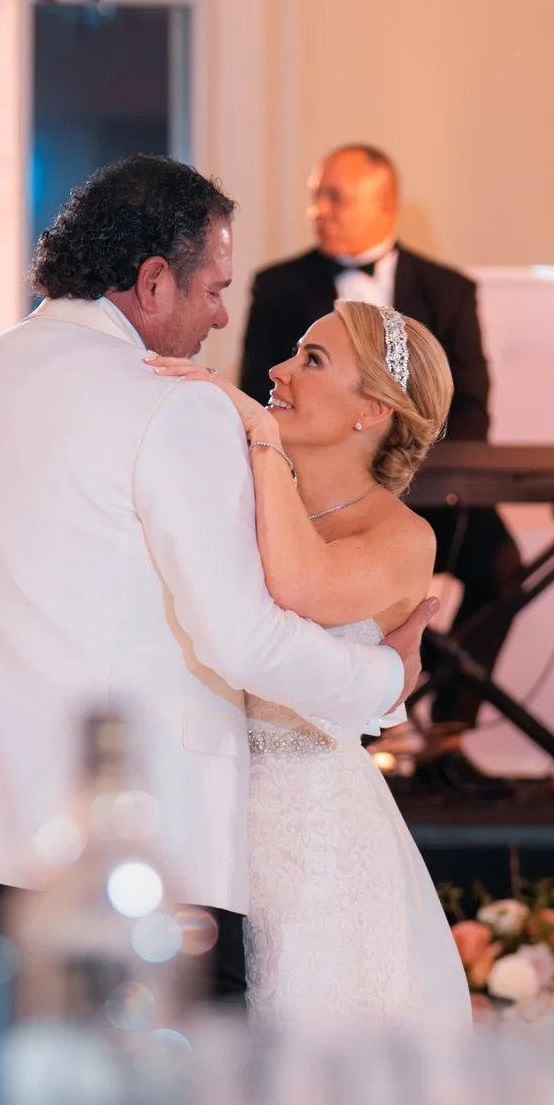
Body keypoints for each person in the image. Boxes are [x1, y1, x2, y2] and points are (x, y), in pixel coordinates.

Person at [0, 154, 421, 1009]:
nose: (221, 316)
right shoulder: (176, 403)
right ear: (151, 282)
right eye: (213, 288)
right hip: (133, 857)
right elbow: (240, 637)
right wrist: (385, 678)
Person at [152, 297, 474, 1039]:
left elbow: (299, 587)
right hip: (204, 816)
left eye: (312, 360)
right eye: (296, 353)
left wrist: (262, 436)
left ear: (372, 413)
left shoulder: (402, 536)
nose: (278, 370)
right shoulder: (242, 485)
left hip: (318, 839)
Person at [237, 144, 518, 742]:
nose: (319, 209)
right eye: (316, 195)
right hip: (298, 478)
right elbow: (258, 387)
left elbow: (470, 408)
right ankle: (391, 699)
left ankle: (446, 725)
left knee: (502, 567)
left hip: (432, 493)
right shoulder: (280, 285)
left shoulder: (448, 289)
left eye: (335, 196)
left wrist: (382, 486)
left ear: (385, 202)